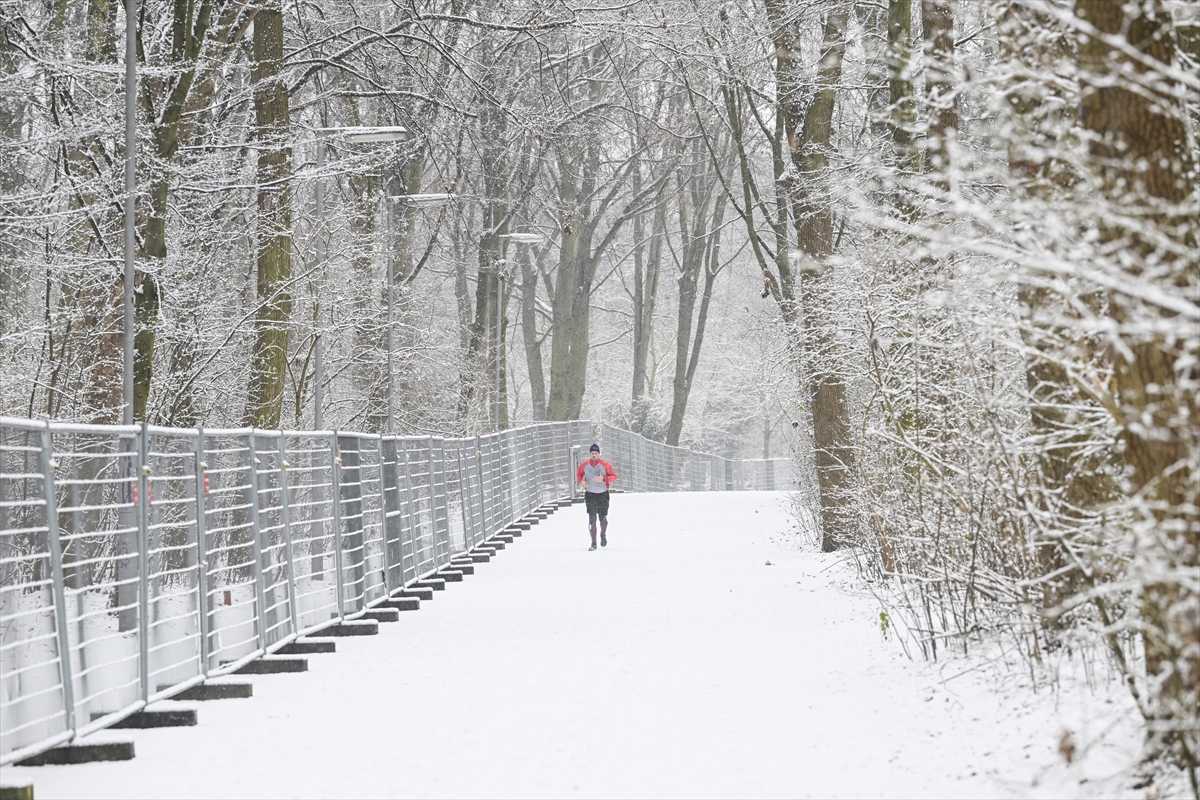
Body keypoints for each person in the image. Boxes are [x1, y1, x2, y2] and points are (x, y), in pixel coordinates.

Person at [575, 443, 617, 550]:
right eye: (592, 453)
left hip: (603, 494)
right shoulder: (584, 465)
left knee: (603, 519)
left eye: (596, 453)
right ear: (590, 454)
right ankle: (593, 543)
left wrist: (603, 479)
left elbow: (613, 476)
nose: (594, 455)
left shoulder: (605, 465)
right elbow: (579, 475)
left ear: (599, 454)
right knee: (592, 519)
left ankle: (603, 534)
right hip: (590, 494)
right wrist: (582, 482)